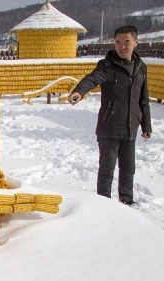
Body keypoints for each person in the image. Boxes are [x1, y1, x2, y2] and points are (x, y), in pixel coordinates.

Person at [68, 25, 152, 205]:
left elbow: (143, 98)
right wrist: (79, 92)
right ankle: (103, 204)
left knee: (128, 169)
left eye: (127, 42)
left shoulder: (141, 67)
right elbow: (92, 78)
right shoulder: (106, 65)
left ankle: (127, 201)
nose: (122, 46)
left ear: (136, 43)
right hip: (109, 128)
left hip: (131, 127)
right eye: (118, 42)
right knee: (107, 171)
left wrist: (146, 125)